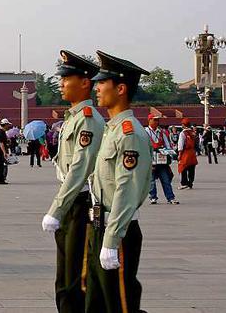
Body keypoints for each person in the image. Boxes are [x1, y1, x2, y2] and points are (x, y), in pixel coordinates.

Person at [83, 50, 152, 313]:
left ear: (120, 88)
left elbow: (127, 190)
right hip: (98, 225)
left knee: (119, 305)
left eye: (102, 83)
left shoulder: (129, 133)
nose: (97, 88)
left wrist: (111, 240)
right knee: (95, 303)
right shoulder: (111, 129)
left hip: (117, 230)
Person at [39, 50, 105, 313]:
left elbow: (79, 168)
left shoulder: (88, 119)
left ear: (85, 82)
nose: (61, 84)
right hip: (71, 203)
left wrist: (56, 209)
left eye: (66, 79)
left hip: (82, 204)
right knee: (64, 276)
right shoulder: (74, 118)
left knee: (76, 276)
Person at [145, 115, 178, 205]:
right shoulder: (145, 132)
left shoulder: (161, 132)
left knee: (166, 180)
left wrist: (170, 154)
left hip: (161, 160)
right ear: (149, 120)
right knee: (151, 181)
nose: (157, 122)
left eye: (157, 120)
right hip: (150, 160)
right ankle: (153, 197)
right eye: (155, 120)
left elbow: (167, 145)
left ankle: (170, 197)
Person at [177, 118, 198, 190]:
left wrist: (179, 154)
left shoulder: (183, 133)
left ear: (183, 125)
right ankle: (190, 183)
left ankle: (184, 183)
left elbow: (180, 144)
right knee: (192, 168)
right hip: (192, 152)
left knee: (183, 167)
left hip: (185, 152)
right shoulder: (193, 132)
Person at [0, 119, 12, 184]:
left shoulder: (1, 132)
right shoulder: (1, 132)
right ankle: (0, 180)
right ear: (5, 125)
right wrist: (4, 152)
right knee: (0, 166)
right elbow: (1, 143)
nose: (8, 126)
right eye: (8, 125)